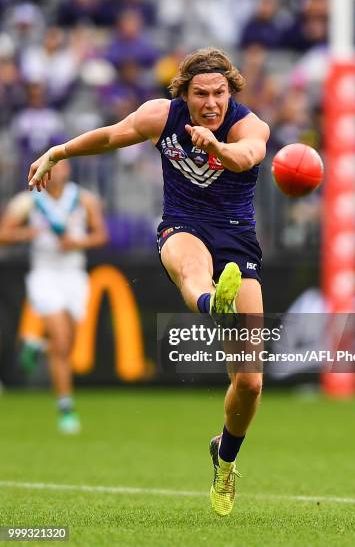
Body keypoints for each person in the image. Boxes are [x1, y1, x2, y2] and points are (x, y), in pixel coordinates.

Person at [27, 47, 270, 515]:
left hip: (238, 243)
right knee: (190, 264)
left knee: (250, 384)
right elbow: (111, 137)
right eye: (201, 93)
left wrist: (217, 148)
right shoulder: (162, 116)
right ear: (184, 92)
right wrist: (56, 151)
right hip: (183, 225)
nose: (211, 103)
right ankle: (208, 302)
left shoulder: (248, 124)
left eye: (219, 93)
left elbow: (247, 155)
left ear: (231, 92)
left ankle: (224, 458)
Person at [0, 159, 108, 434]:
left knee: (66, 345)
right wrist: (26, 233)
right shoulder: (27, 202)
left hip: (74, 275)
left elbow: (100, 235)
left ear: (67, 170)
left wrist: (79, 241)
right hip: (44, 274)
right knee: (61, 340)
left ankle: (36, 346)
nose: (57, 171)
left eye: (61, 166)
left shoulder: (84, 199)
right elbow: (3, 234)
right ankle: (66, 408)